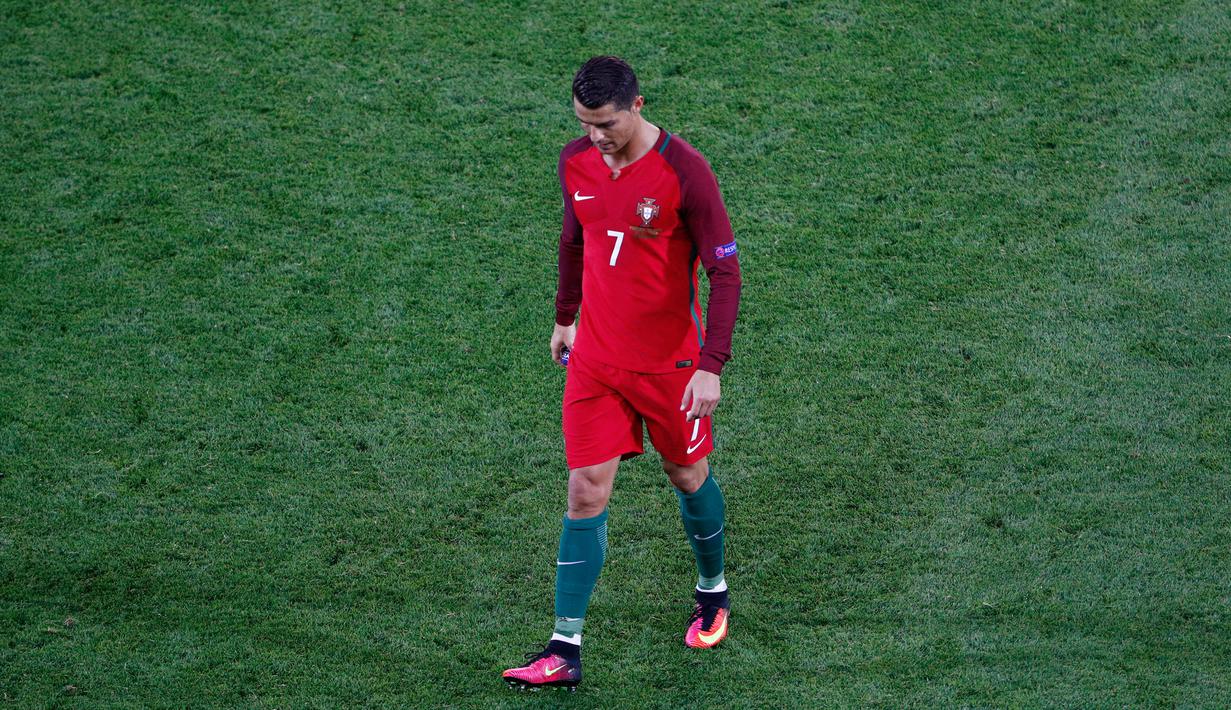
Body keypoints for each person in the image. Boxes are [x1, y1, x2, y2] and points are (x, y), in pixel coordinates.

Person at [502, 56, 743, 691]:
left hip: (671, 366)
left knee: (687, 475)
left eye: (605, 124)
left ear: (636, 105)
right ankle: (564, 647)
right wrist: (564, 316)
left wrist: (711, 367)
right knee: (585, 489)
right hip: (597, 362)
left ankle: (713, 592)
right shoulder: (575, 161)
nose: (596, 137)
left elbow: (725, 273)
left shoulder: (684, 172)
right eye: (584, 123)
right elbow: (574, 239)